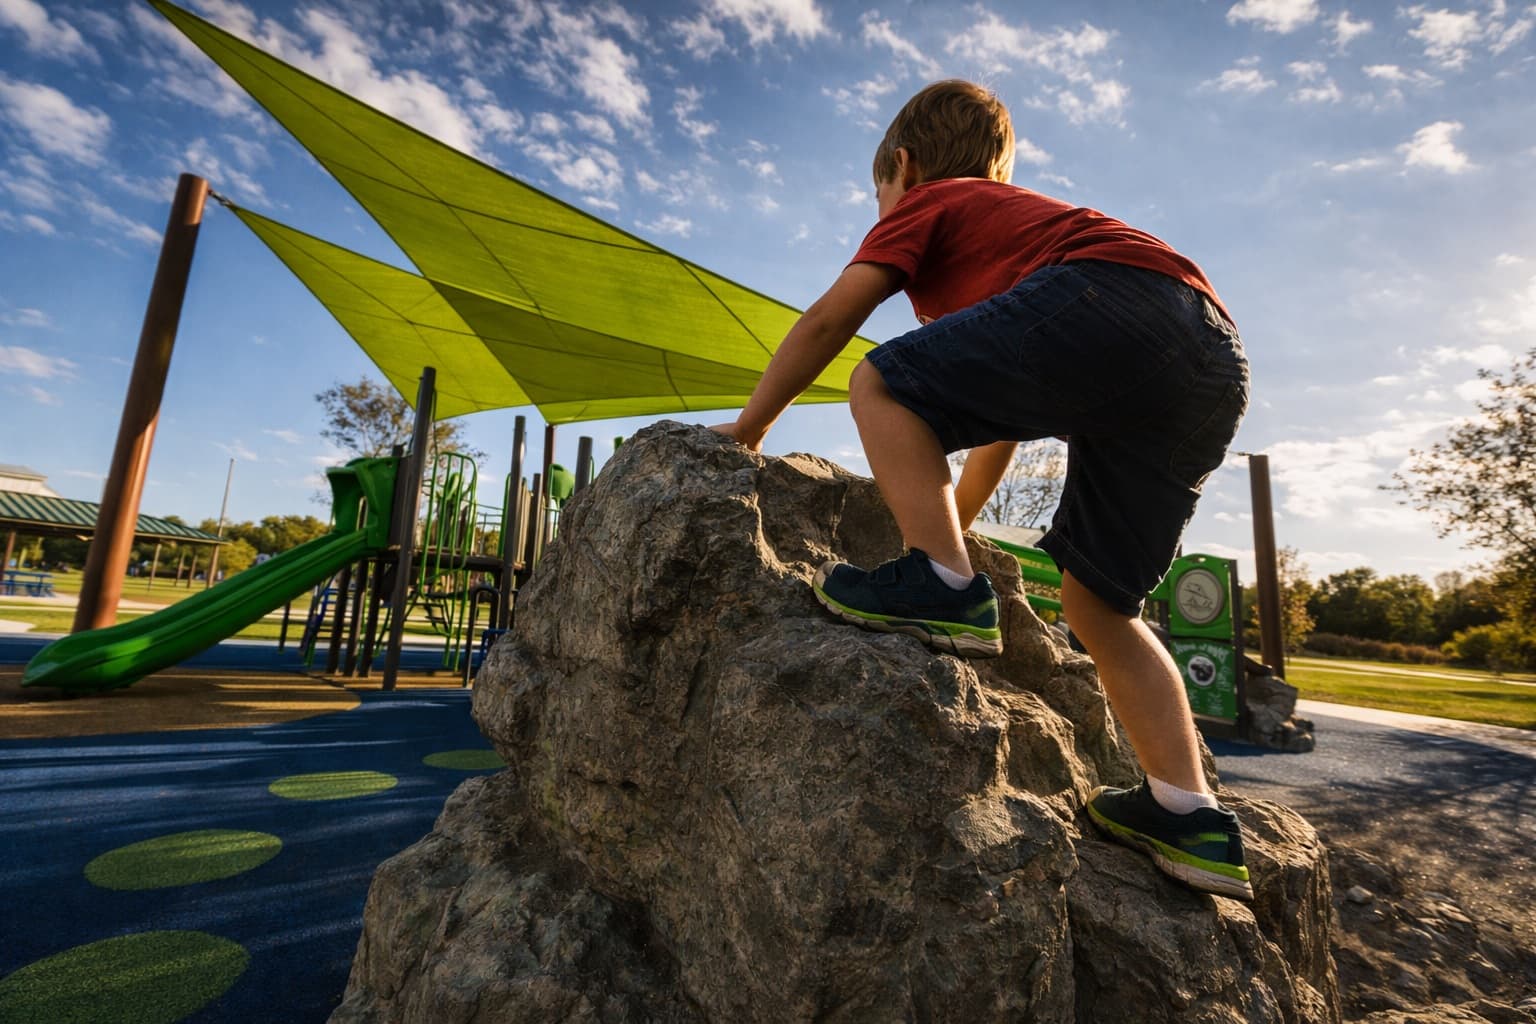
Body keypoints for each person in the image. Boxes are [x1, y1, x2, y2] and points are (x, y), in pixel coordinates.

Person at [711, 80, 1251, 900]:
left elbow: (832, 318)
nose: (882, 204)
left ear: (903, 165)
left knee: (881, 382)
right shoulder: (1019, 238)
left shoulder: (935, 201)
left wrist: (752, 425)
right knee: (1103, 603)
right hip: (1211, 357)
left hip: (1112, 300)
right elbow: (1000, 428)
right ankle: (1189, 815)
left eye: (879, 191)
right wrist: (951, 532)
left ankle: (940, 583)